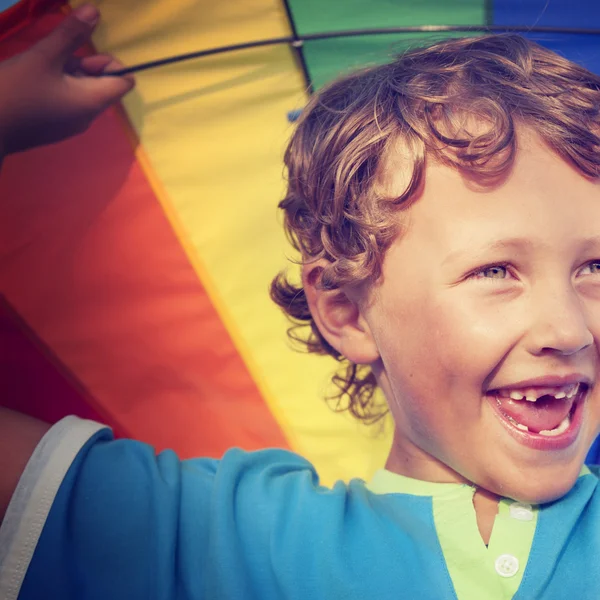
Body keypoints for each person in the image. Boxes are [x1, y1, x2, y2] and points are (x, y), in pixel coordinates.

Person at [1, 6, 600, 599]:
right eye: (494, 270)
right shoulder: (237, 541)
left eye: (595, 267)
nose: (567, 329)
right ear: (346, 313)